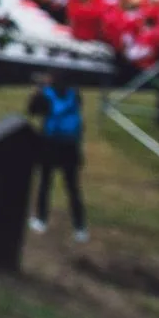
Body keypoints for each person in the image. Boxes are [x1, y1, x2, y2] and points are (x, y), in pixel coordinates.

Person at [28, 71, 89, 242]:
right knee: (73, 187)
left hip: (50, 145)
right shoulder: (74, 93)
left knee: (45, 183)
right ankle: (80, 227)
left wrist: (39, 91)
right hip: (71, 147)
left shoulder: (47, 95)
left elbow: (32, 111)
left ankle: (41, 219)